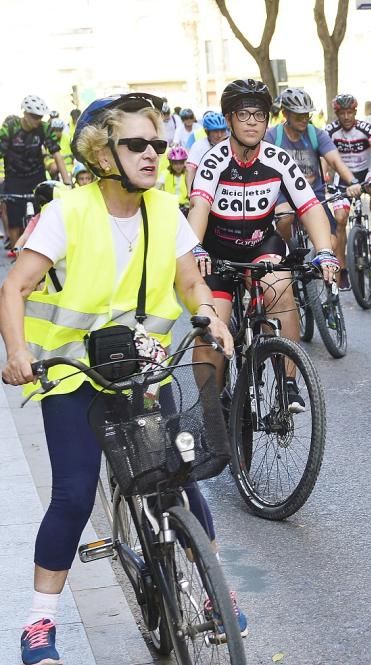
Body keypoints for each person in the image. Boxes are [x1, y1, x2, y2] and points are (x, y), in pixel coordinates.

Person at [0, 92, 243, 665]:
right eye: (136, 144)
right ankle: (40, 622)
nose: (152, 154)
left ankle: (215, 591)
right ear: (102, 154)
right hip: (71, 374)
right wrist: (16, 352)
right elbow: (15, 287)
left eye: (157, 144)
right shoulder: (68, 211)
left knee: (180, 478)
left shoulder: (166, 209)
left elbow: (189, 281)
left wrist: (206, 311)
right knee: (75, 495)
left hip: (140, 368)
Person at [187, 78, 340, 409]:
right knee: (212, 328)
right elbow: (199, 206)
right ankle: (211, 408)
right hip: (217, 250)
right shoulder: (214, 161)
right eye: (243, 114)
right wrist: (196, 248)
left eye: (259, 115)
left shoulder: (278, 158)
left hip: (260, 242)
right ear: (228, 120)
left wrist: (325, 251)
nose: (253, 121)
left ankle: (287, 385)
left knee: (280, 289)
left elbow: (310, 206)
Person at [265, 88, 359, 291]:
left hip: (312, 195)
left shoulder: (316, 135)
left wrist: (351, 182)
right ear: (285, 114)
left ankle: (328, 296)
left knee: (331, 244)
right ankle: (289, 250)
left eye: (307, 114)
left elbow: (335, 159)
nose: (304, 119)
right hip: (284, 194)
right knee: (285, 217)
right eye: (299, 115)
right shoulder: (273, 137)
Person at [0, 96, 72, 252]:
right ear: (24, 114)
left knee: (43, 216)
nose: (37, 120)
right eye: (34, 116)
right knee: (14, 219)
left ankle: (41, 250)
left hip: (36, 175)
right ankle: (15, 251)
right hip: (14, 177)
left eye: (40, 117)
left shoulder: (44, 128)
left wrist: (67, 181)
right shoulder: (10, 127)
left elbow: (56, 154)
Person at [325, 93, 371, 248]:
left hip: (366, 172)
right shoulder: (330, 130)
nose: (346, 117)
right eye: (342, 113)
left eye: (350, 112)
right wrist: (324, 177)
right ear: (337, 114)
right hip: (343, 178)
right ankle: (343, 264)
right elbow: (324, 156)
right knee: (340, 218)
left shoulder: (366, 128)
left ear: (355, 112)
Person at [184, 110, 229, 193]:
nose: (219, 135)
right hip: (205, 187)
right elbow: (190, 170)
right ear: (207, 131)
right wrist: (190, 193)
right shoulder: (199, 145)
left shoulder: (231, 144)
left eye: (222, 130)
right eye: (215, 131)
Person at [160, 145, 190, 212]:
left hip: (185, 207)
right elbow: (157, 187)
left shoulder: (188, 174)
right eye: (175, 163)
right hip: (169, 207)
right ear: (171, 163)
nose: (178, 166)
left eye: (181, 163)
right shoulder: (165, 174)